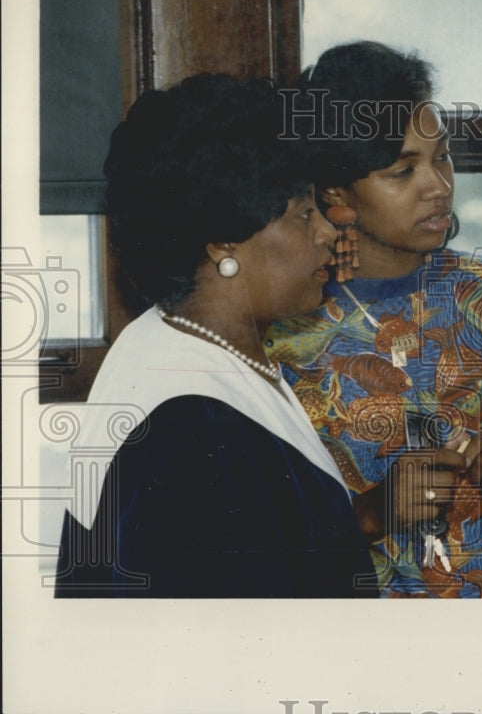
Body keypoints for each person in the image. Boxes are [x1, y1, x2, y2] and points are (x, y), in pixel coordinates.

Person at [55, 74, 377, 598]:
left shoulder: (170, 344)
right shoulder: (186, 427)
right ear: (223, 241)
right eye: (302, 213)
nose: (327, 230)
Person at [267, 41, 482, 598]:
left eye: (442, 157)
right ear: (337, 190)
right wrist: (370, 514)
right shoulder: (283, 335)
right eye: (402, 170)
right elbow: (261, 547)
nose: (438, 186)